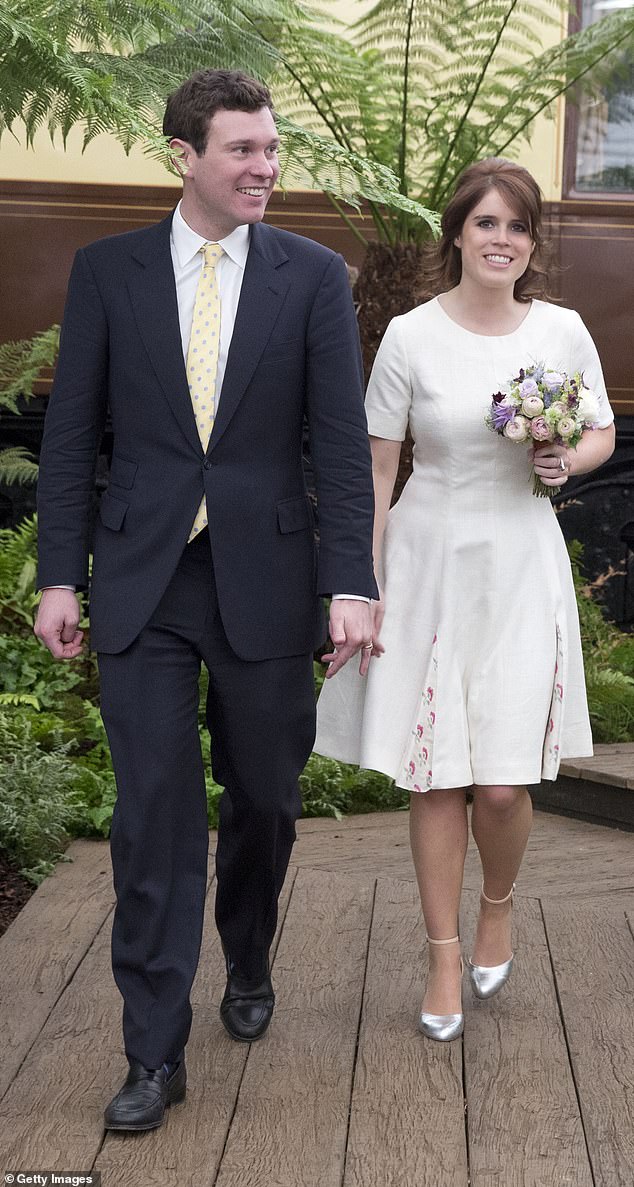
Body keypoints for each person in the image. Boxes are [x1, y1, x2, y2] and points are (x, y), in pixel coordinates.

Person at [34, 69, 377, 1129]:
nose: (264, 167)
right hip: (145, 581)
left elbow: (337, 445)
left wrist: (350, 581)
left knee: (265, 798)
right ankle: (153, 1050)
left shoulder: (314, 277)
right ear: (183, 153)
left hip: (269, 581)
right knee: (153, 817)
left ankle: (252, 943)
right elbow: (70, 435)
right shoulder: (108, 271)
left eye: (271, 150)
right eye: (242, 150)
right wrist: (59, 571)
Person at [315, 157, 615, 1042]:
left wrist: (570, 458)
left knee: (498, 784)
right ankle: (443, 951)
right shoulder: (410, 335)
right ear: (457, 233)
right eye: (486, 223)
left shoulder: (562, 331)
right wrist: (359, 583)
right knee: (436, 773)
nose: (502, 240)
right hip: (428, 557)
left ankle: (498, 903)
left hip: (521, 559)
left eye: (517, 227)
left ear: (532, 245)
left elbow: (597, 430)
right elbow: (374, 467)